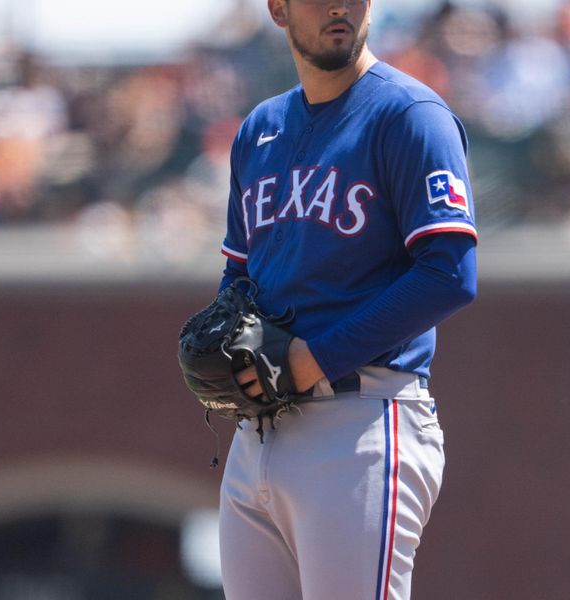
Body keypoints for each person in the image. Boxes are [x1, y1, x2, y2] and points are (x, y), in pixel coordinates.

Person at [215, 1, 478, 598]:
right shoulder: (260, 128)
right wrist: (228, 352)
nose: (339, 6)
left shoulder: (410, 115)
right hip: (259, 433)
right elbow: (238, 275)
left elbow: (449, 274)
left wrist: (313, 358)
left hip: (362, 421)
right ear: (278, 9)